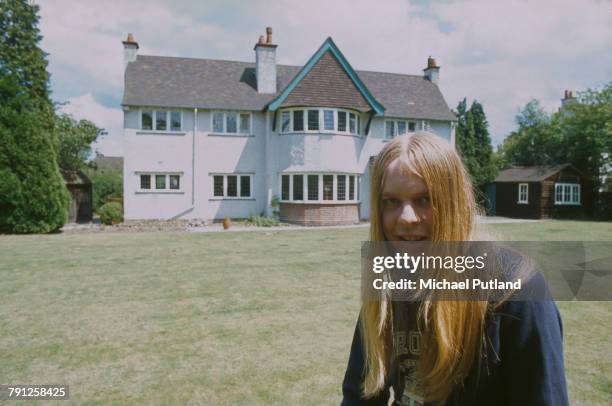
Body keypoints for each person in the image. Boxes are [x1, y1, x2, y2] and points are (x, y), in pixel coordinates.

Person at [341, 132, 568, 405]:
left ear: (454, 203)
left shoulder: (517, 290)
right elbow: (361, 394)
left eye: (425, 199)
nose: (406, 218)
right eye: (392, 201)